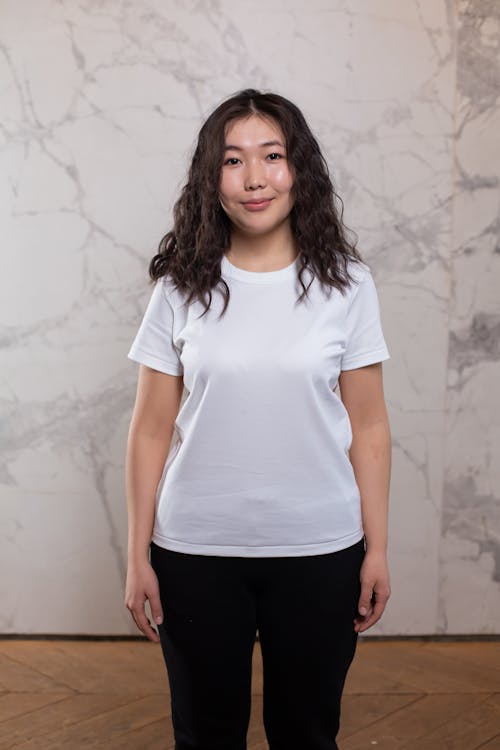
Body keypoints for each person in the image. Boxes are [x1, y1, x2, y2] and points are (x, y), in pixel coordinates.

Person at [124, 88, 392, 750]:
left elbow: (371, 425)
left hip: (321, 549)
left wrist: (377, 548)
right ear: (209, 176)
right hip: (193, 551)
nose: (254, 179)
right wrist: (136, 555)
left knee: (306, 733)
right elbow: (151, 428)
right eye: (233, 159)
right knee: (206, 735)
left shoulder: (347, 287)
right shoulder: (179, 287)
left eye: (272, 156)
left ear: (299, 167)